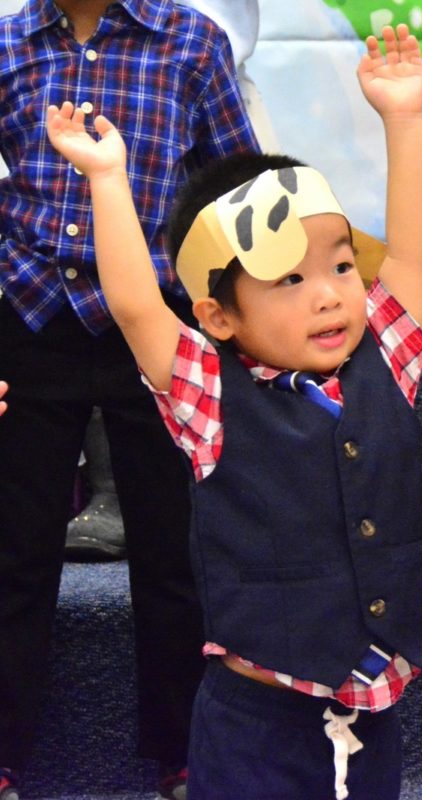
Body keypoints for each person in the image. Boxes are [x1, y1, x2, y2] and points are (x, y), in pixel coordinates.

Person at [45, 23, 422, 800]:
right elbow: (134, 307)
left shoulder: (387, 360)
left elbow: (413, 257)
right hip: (256, 718)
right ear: (219, 317)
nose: (329, 291)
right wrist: (106, 180)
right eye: (287, 281)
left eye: (337, 265)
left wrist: (403, 118)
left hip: (374, 706)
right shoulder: (208, 392)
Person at [0, 0, 258, 796]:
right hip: (28, 310)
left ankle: (185, 749)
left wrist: (242, 328)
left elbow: (233, 188)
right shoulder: (8, 43)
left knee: (175, 548)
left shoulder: (192, 41)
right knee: (13, 548)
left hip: (156, 323)